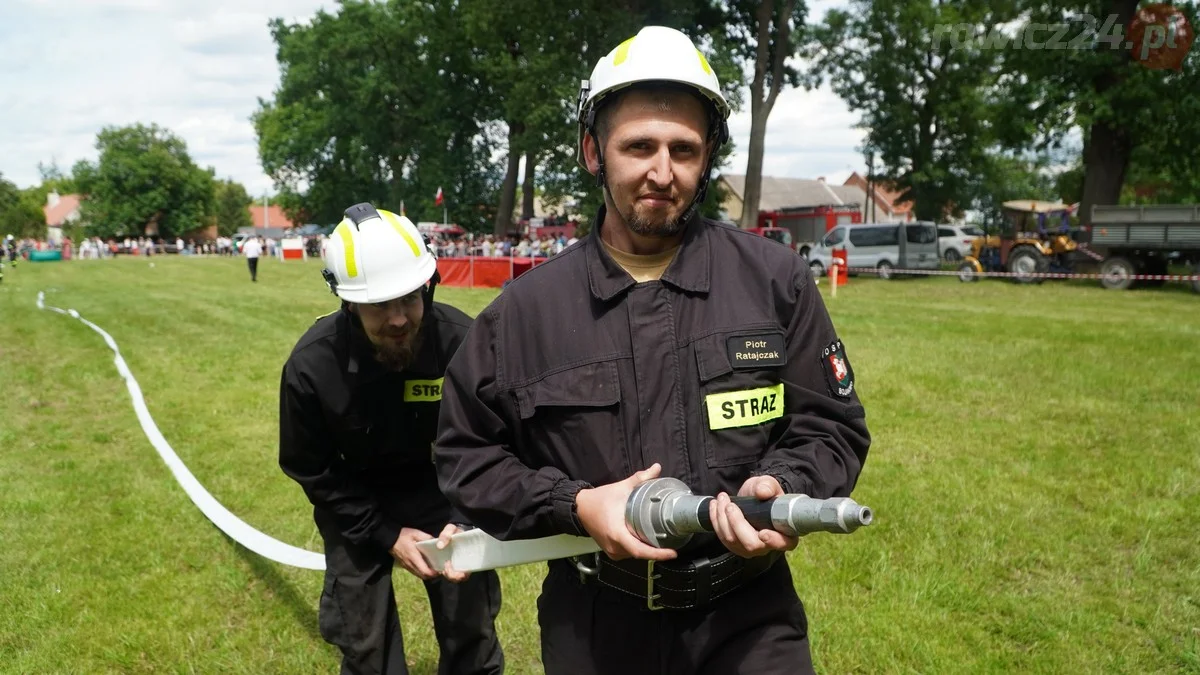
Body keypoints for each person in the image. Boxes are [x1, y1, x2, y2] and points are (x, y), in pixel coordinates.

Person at [435, 26, 871, 675]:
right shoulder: (521, 316)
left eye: (683, 149)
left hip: (750, 624)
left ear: (707, 156)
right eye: (639, 146)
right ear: (593, 151)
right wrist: (573, 503)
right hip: (596, 628)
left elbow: (830, 427)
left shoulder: (776, 282)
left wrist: (787, 483)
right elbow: (467, 459)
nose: (661, 171)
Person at [279, 203, 504, 675]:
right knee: (366, 646)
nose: (399, 318)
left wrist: (465, 519)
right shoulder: (312, 367)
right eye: (380, 305)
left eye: (409, 298)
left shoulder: (463, 344)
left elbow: (493, 440)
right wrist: (383, 533)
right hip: (356, 501)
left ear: (428, 285)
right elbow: (311, 466)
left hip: (447, 497)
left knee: (473, 633)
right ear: (348, 303)